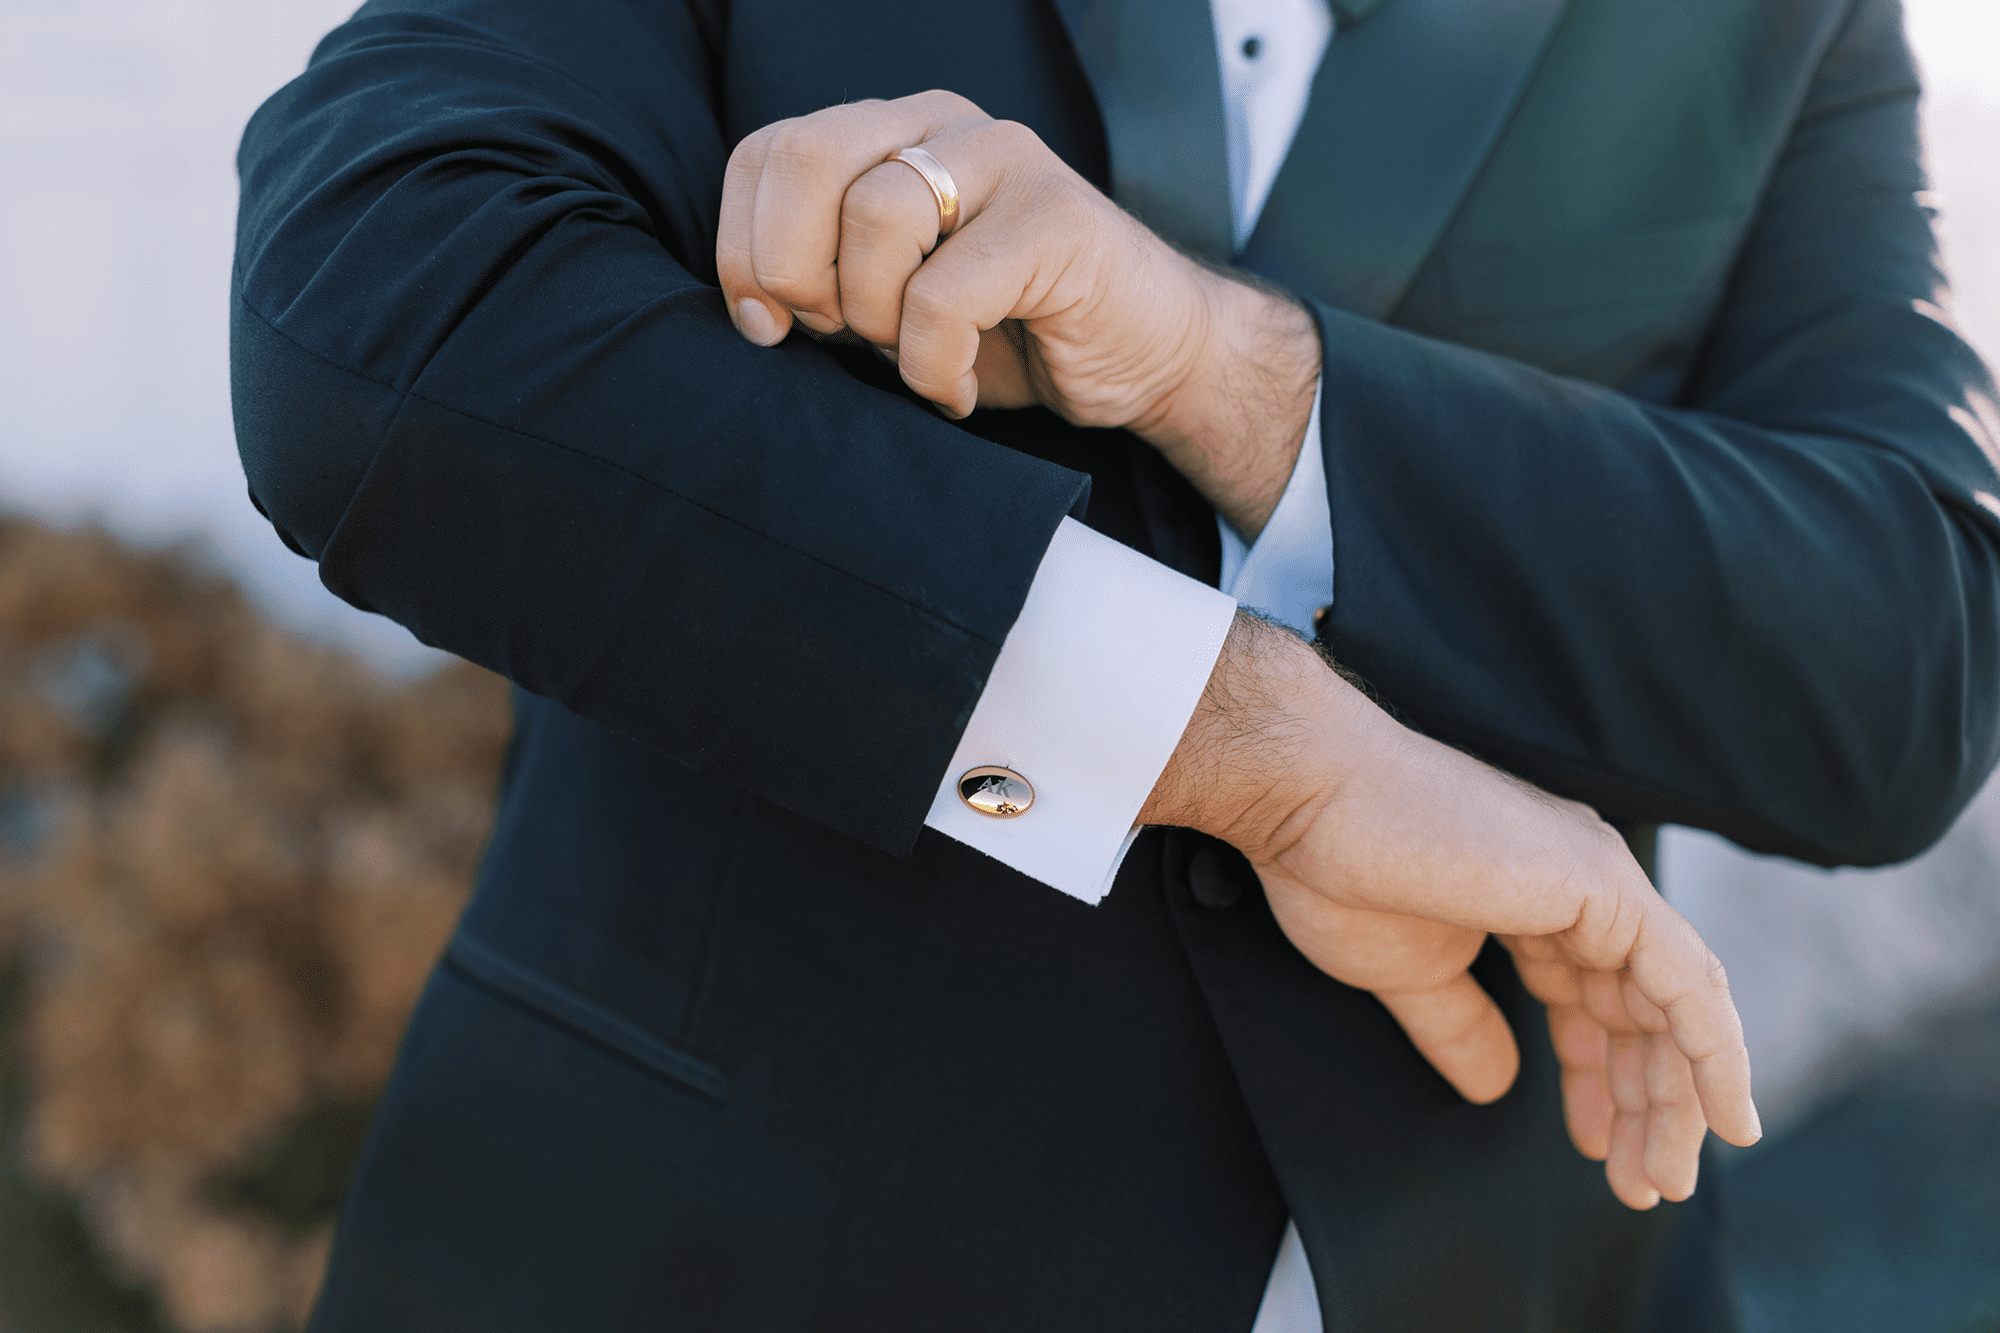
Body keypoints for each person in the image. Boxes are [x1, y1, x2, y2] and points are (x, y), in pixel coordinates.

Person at [228, 0, 2000, 1327]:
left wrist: (1231, 372)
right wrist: (1254, 747)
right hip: (701, 1254)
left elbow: (1909, 659)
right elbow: (372, 303)